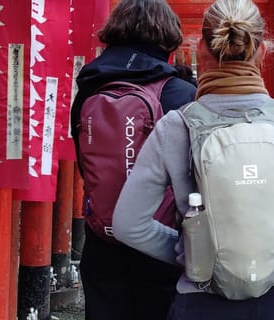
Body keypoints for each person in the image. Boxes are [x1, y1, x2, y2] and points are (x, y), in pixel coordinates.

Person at [112, 0, 274, 319]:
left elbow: (128, 224)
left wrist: (194, 250)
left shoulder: (176, 126)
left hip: (202, 299)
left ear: (201, 48)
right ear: (262, 51)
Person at [69, 0, 197, 319]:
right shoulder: (180, 93)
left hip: (101, 238)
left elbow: (84, 160)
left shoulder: (88, 89)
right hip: (161, 240)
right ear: (168, 38)